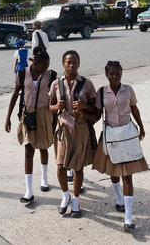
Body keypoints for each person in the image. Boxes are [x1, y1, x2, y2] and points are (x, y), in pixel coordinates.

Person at [92, 61, 149, 232]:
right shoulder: (102, 92)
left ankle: (128, 218)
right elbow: (96, 114)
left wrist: (141, 126)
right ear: (106, 75)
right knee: (114, 172)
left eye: (118, 73)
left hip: (127, 135)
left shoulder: (128, 90)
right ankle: (118, 196)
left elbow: (134, 109)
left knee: (128, 176)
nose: (115, 76)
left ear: (122, 74)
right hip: (111, 137)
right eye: (111, 74)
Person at [49, 50, 99, 218]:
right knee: (60, 166)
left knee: (78, 167)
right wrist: (58, 107)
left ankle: (76, 201)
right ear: (63, 63)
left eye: (74, 62)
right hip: (63, 128)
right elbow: (49, 106)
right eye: (68, 62)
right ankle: (65, 196)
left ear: (78, 63)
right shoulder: (57, 84)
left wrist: (84, 107)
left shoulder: (86, 84)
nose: (71, 65)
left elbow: (96, 109)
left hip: (80, 128)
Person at [5, 47, 57, 203]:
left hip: (44, 114)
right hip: (27, 114)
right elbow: (15, 95)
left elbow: (55, 97)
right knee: (28, 149)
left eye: (47, 66)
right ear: (35, 62)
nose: (45, 69)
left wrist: (55, 119)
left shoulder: (51, 75)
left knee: (43, 147)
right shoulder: (23, 74)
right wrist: (8, 117)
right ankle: (28, 191)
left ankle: (45, 178)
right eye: (43, 66)